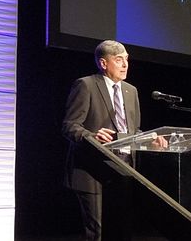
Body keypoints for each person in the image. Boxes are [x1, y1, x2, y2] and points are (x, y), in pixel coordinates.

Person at [61, 40, 165, 240]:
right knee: (99, 233)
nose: (125, 65)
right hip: (93, 170)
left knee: (120, 230)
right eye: (119, 60)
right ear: (103, 63)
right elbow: (70, 126)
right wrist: (91, 136)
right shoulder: (86, 85)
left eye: (126, 60)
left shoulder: (131, 91)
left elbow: (133, 130)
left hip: (123, 169)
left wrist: (149, 140)